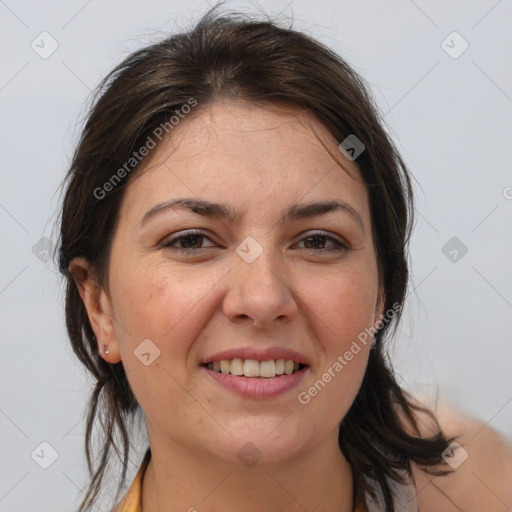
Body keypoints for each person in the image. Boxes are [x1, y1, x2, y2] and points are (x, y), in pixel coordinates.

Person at [56, 6, 512, 512]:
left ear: (382, 290)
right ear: (99, 305)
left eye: (317, 241)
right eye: (190, 241)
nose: (263, 297)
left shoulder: (484, 484)